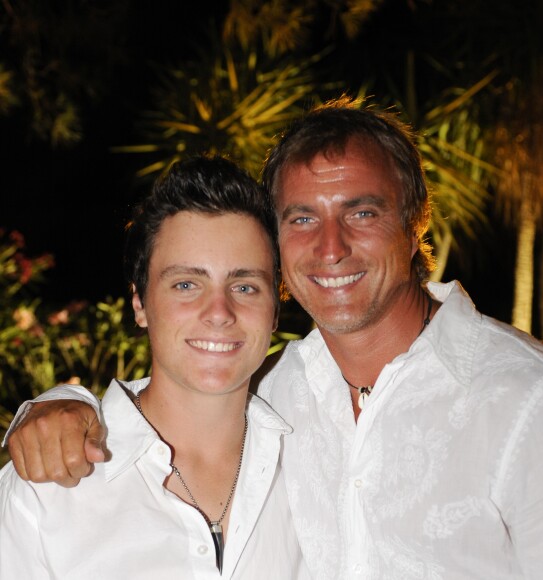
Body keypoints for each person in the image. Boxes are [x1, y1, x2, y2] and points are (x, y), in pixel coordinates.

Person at [6, 98, 543, 579]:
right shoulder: (284, 397)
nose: (331, 248)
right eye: (303, 218)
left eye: (361, 212)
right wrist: (62, 405)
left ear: (415, 221)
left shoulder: (534, 402)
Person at [0, 156, 310, 579]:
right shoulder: (46, 491)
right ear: (140, 304)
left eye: (244, 286)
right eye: (186, 284)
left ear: (274, 310)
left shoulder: (312, 465)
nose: (219, 312)